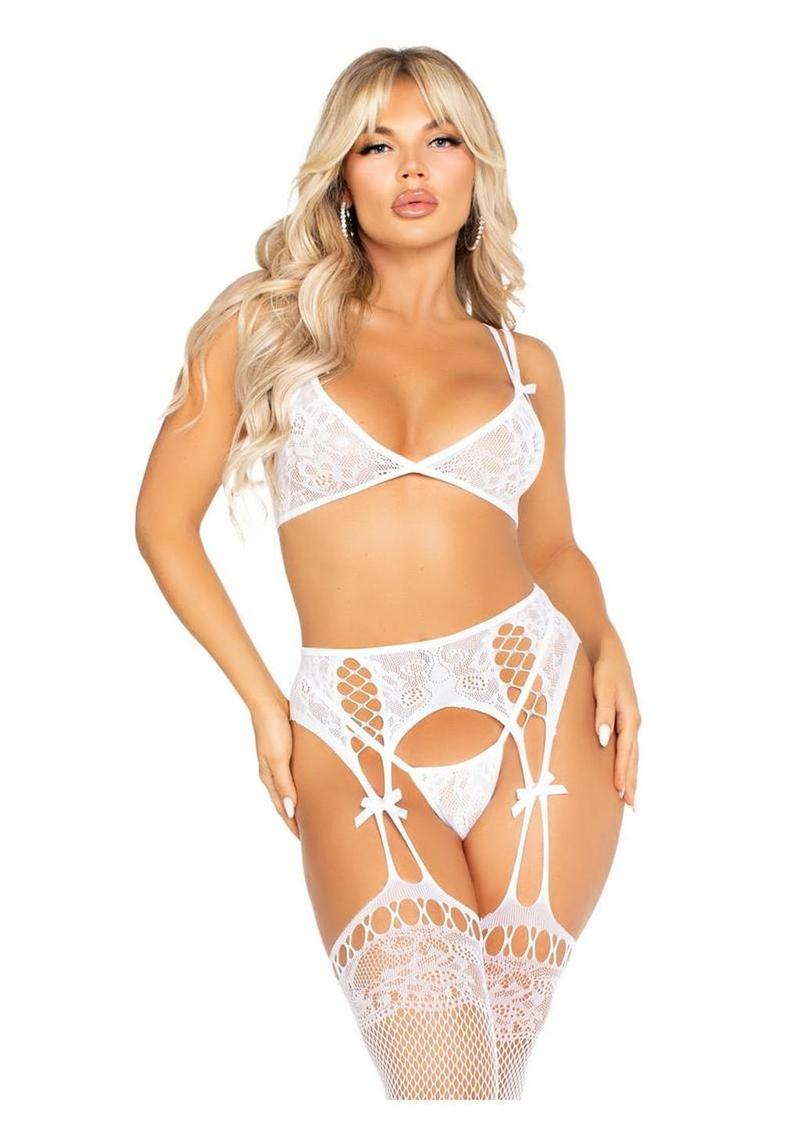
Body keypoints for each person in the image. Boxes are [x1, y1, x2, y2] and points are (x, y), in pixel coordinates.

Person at [135, 46, 641, 1101]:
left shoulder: (525, 365)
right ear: (342, 176)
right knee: (442, 1088)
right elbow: (162, 525)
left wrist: (608, 647)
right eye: (377, 145)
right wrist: (266, 706)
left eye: (439, 139)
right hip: (350, 726)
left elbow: (551, 547)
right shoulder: (262, 327)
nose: (412, 167)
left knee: (488, 1092)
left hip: (540, 709)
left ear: (475, 167)